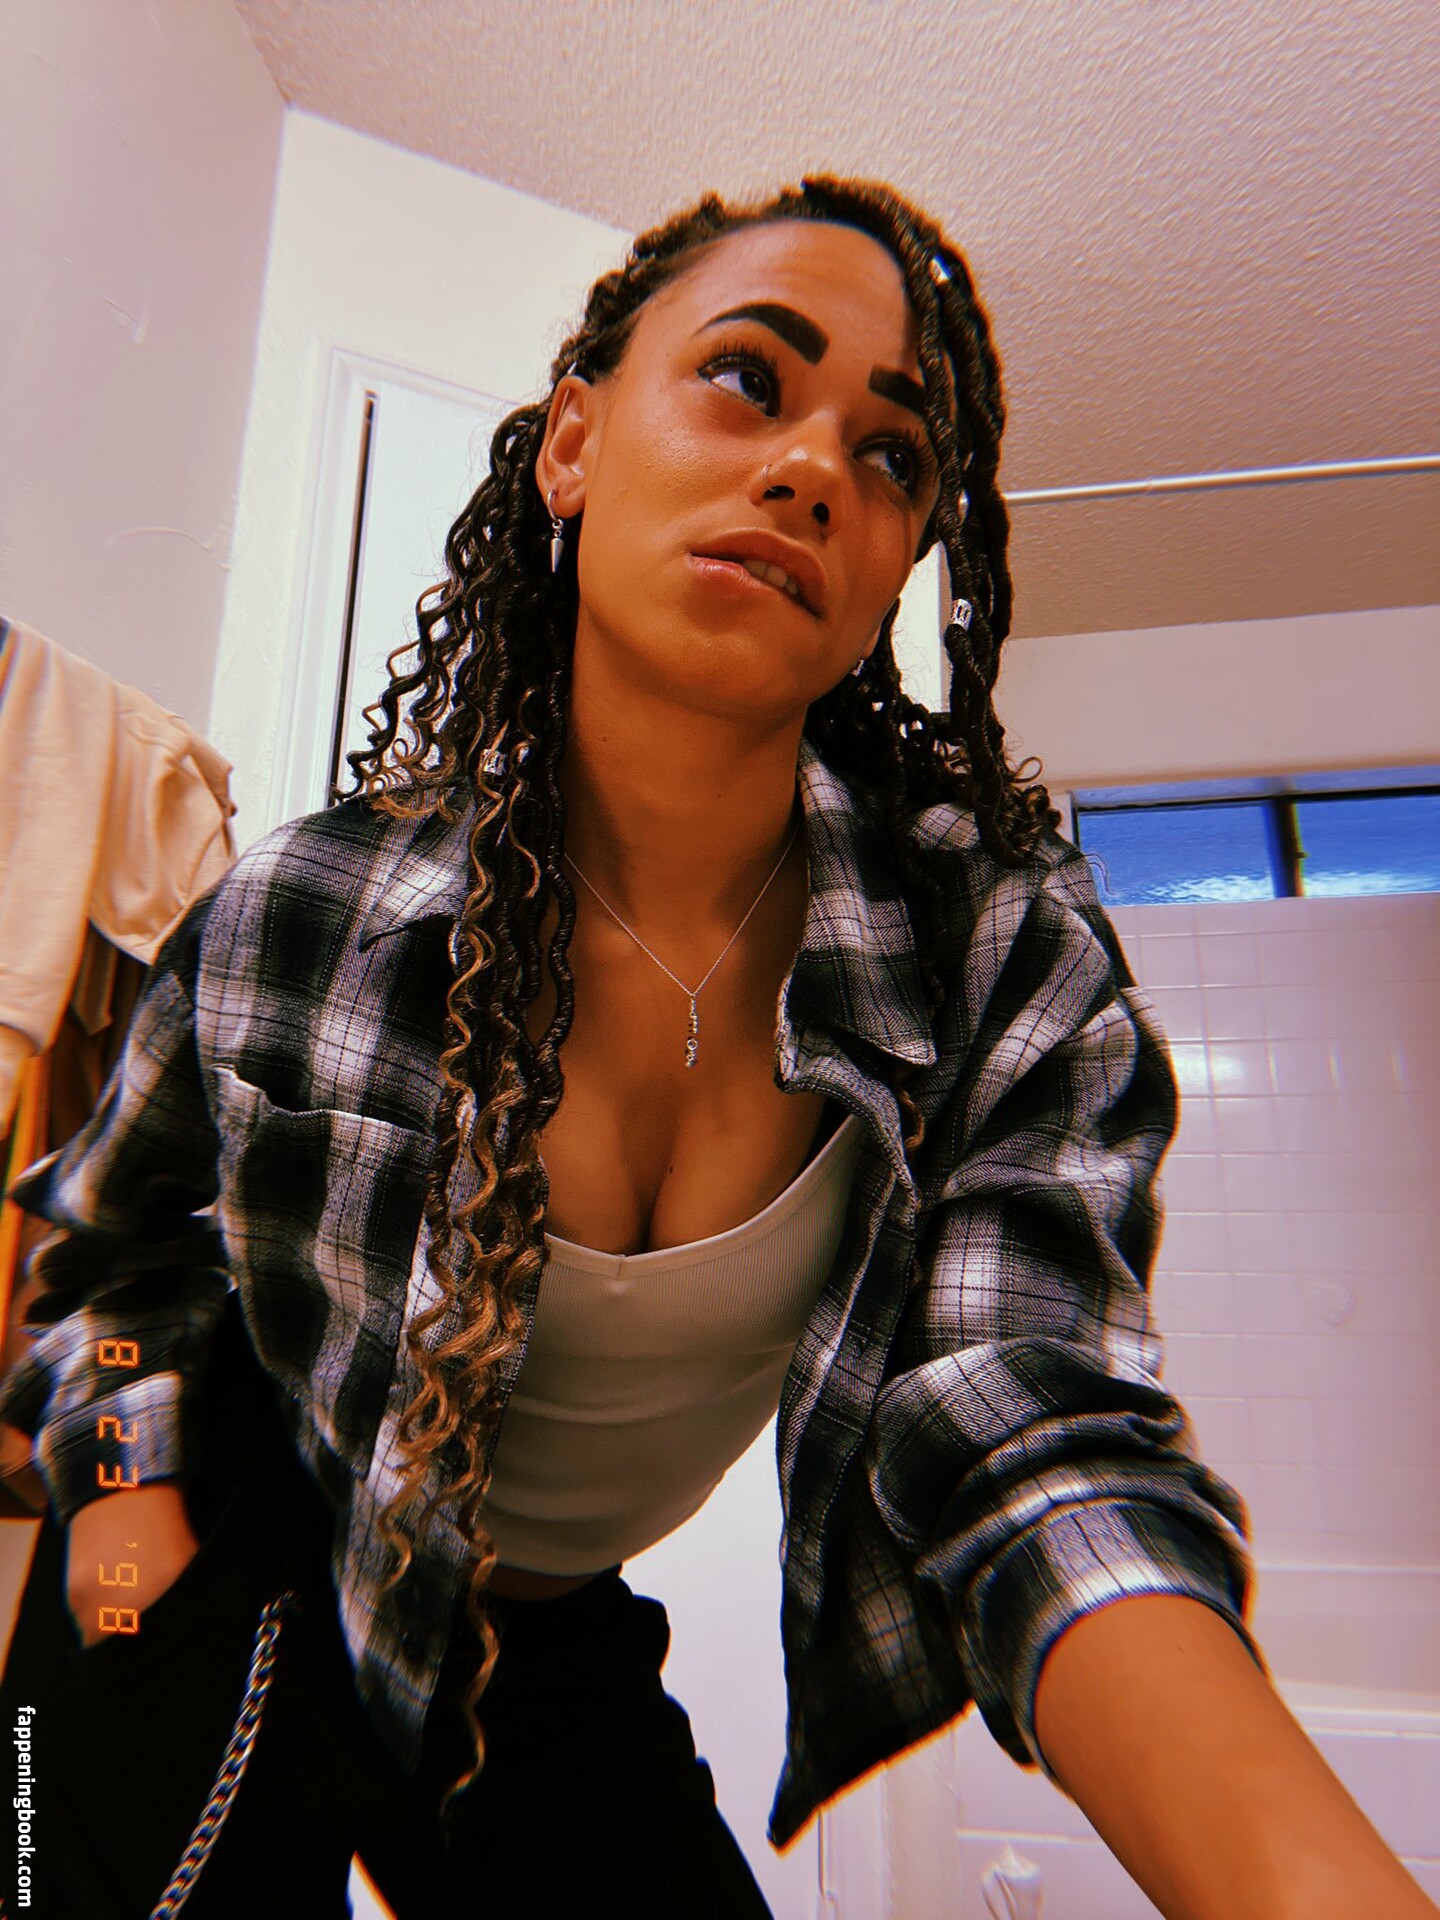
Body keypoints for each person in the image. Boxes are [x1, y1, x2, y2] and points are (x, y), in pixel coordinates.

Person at [0, 178, 1428, 1920]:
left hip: (541, 1636)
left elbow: (1029, 1434)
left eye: (892, 454)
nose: (816, 466)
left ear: (898, 562)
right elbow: (117, 1248)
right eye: (750, 379)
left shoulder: (991, 955)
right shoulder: (311, 904)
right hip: (240, 1550)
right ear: (575, 444)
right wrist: (117, 1505)